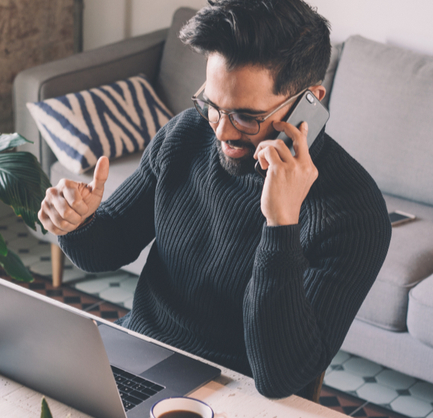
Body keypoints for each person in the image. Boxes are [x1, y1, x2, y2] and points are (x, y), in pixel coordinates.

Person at [37, 0, 392, 399]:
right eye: (211, 105)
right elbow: (106, 249)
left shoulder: (353, 211)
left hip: (238, 393)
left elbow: (280, 378)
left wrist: (281, 225)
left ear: (309, 100)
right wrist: (77, 222)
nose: (221, 132)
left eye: (245, 116)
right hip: (138, 354)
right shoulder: (187, 134)